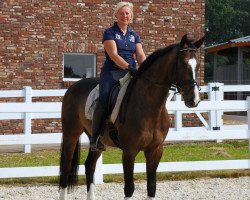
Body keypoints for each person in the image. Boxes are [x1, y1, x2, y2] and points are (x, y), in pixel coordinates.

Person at [90, 2, 146, 151]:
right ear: (116, 15)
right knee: (104, 98)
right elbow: (113, 55)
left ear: (131, 16)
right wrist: (129, 67)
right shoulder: (109, 32)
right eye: (122, 13)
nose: (125, 16)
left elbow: (140, 55)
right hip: (112, 72)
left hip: (132, 71)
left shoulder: (134, 35)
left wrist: (146, 68)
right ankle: (95, 138)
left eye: (127, 13)